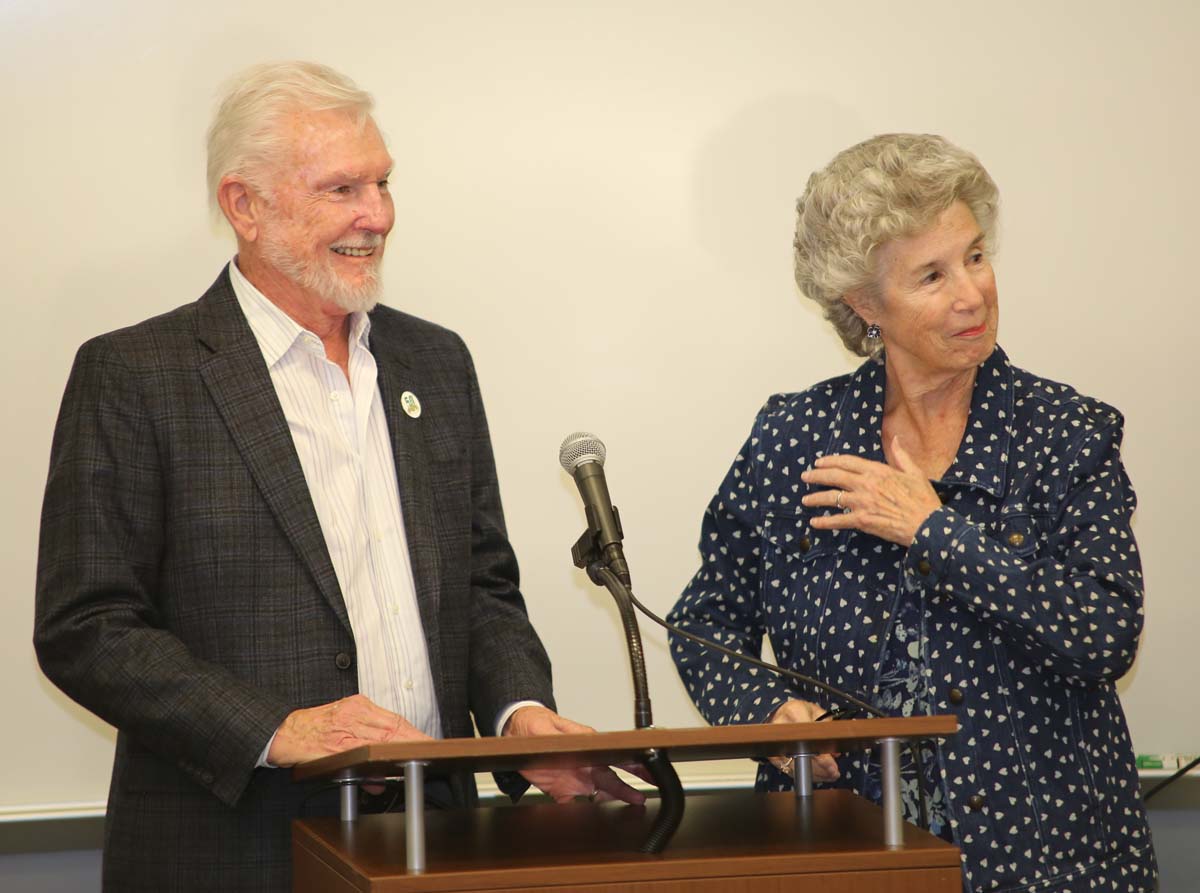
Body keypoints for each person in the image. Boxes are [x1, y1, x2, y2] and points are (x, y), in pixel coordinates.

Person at [34, 61, 642, 893]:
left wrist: (518, 717)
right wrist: (275, 727)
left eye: (384, 182)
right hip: (230, 845)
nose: (378, 216)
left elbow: (482, 585)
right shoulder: (139, 375)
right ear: (244, 206)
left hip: (436, 838)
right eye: (342, 189)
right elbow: (87, 625)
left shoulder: (434, 360)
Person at [667, 134, 1156, 892]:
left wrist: (934, 531)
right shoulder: (795, 437)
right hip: (844, 845)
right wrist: (762, 711)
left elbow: (1106, 631)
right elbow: (705, 620)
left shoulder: (1064, 431)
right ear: (865, 303)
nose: (972, 293)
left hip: (1048, 850)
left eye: (976, 255)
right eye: (931, 274)